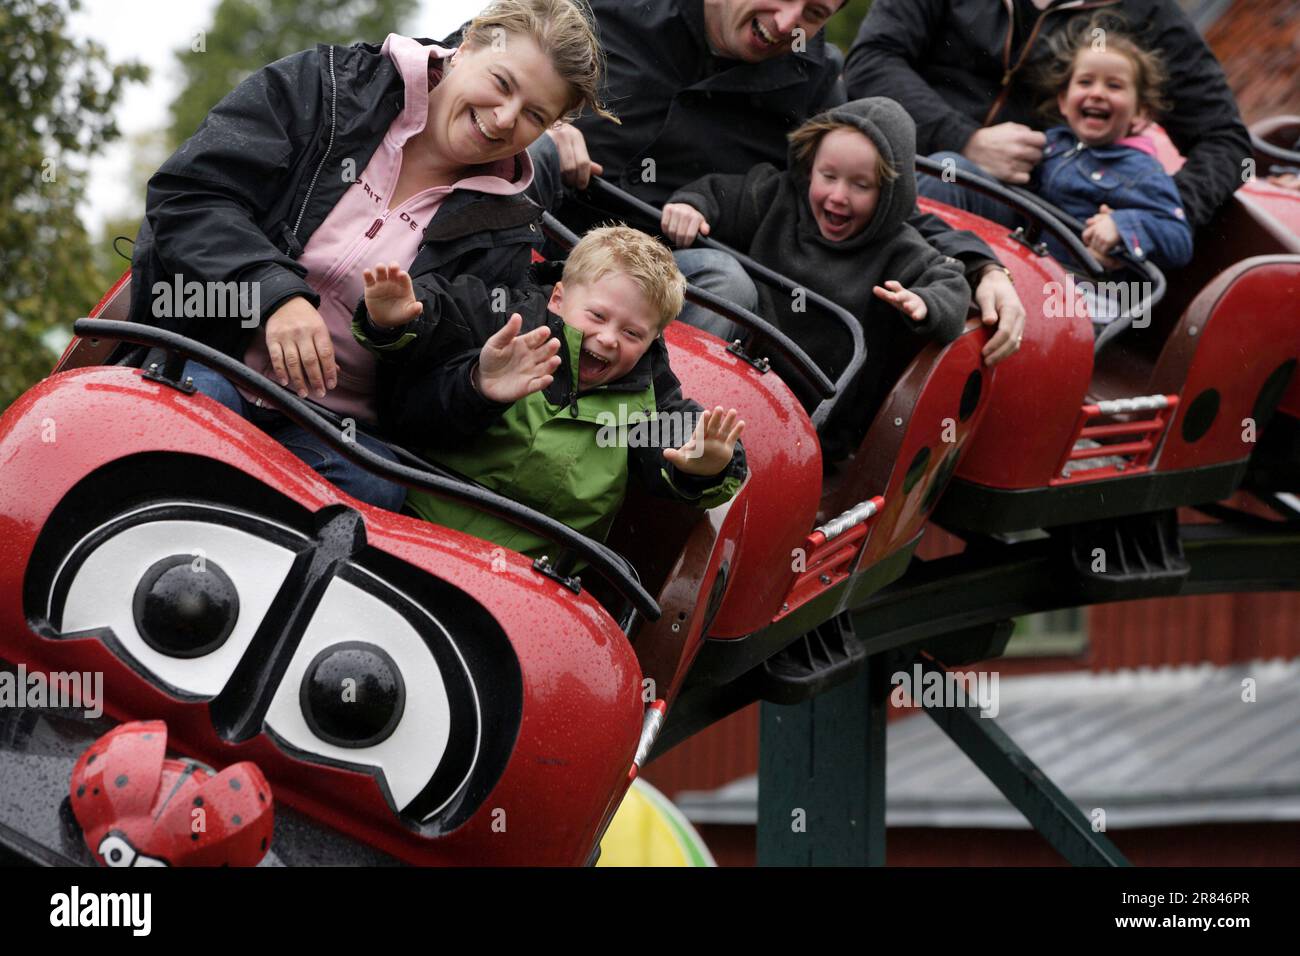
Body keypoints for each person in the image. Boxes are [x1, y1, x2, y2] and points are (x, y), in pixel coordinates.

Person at [129, 0, 612, 510]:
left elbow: (423, 407)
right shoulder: (328, 85)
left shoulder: (512, 233)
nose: (503, 118)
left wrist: (476, 385)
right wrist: (273, 296)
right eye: (502, 83)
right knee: (184, 418)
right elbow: (191, 194)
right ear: (465, 48)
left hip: (333, 433)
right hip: (212, 359)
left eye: (534, 114)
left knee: (373, 494)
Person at [521, 0, 1027, 364]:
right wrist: (544, 119)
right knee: (531, 147)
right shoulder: (603, 9)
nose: (787, 23)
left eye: (814, 13)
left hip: (661, 272)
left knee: (729, 281)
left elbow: (889, 201)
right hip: (544, 230)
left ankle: (646, 445)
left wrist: (984, 268)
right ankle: (476, 331)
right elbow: (471, 63)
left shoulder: (815, 81)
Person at [352, 225, 747, 557]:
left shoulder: (648, 395)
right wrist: (399, 320)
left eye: (632, 333)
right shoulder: (502, 320)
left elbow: (680, 430)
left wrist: (704, 465)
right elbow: (432, 337)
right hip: (413, 527)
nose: (608, 339)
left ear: (652, 340)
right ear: (558, 298)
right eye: (597, 316)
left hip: (536, 578)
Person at [662, 97, 970, 456]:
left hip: (808, 421)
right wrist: (691, 206)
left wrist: (925, 302)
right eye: (828, 176)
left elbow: (950, 283)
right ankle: (667, 410)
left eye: (861, 185)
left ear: (890, 193)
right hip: (732, 376)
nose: (839, 196)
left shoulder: (898, 248)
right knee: (721, 278)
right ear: (810, 168)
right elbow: (718, 194)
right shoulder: (775, 196)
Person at [845, 0, 1251, 232]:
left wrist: (1146, 220)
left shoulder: (1151, 16)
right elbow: (870, 61)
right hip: (889, 156)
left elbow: (1225, 142)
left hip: (1031, 221)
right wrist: (965, 138)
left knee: (947, 177)